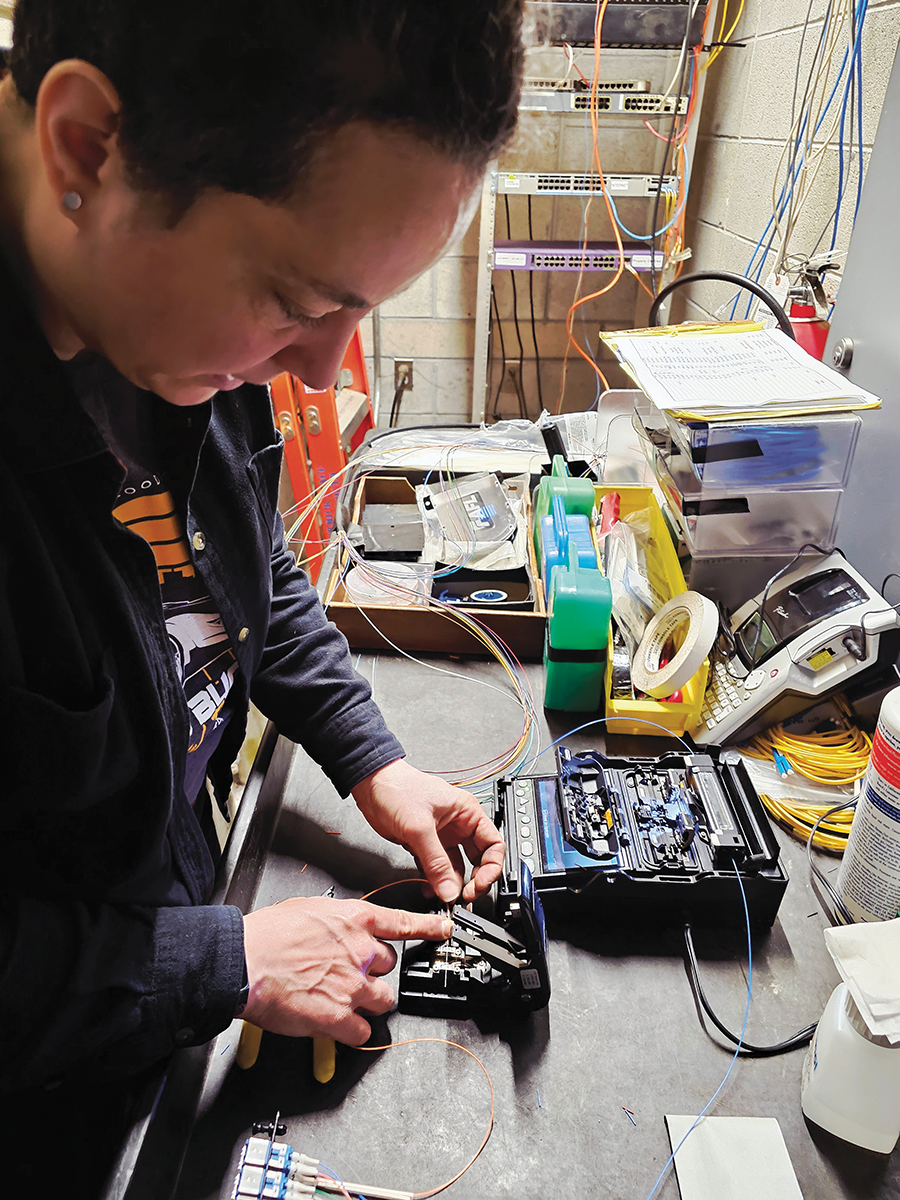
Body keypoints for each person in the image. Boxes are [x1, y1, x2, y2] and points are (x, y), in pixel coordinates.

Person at [0, 0, 524, 1186]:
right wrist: (218, 961)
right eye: (298, 302)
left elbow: (228, 568)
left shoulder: (163, 313)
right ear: (88, 147)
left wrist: (370, 758)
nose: (322, 370)